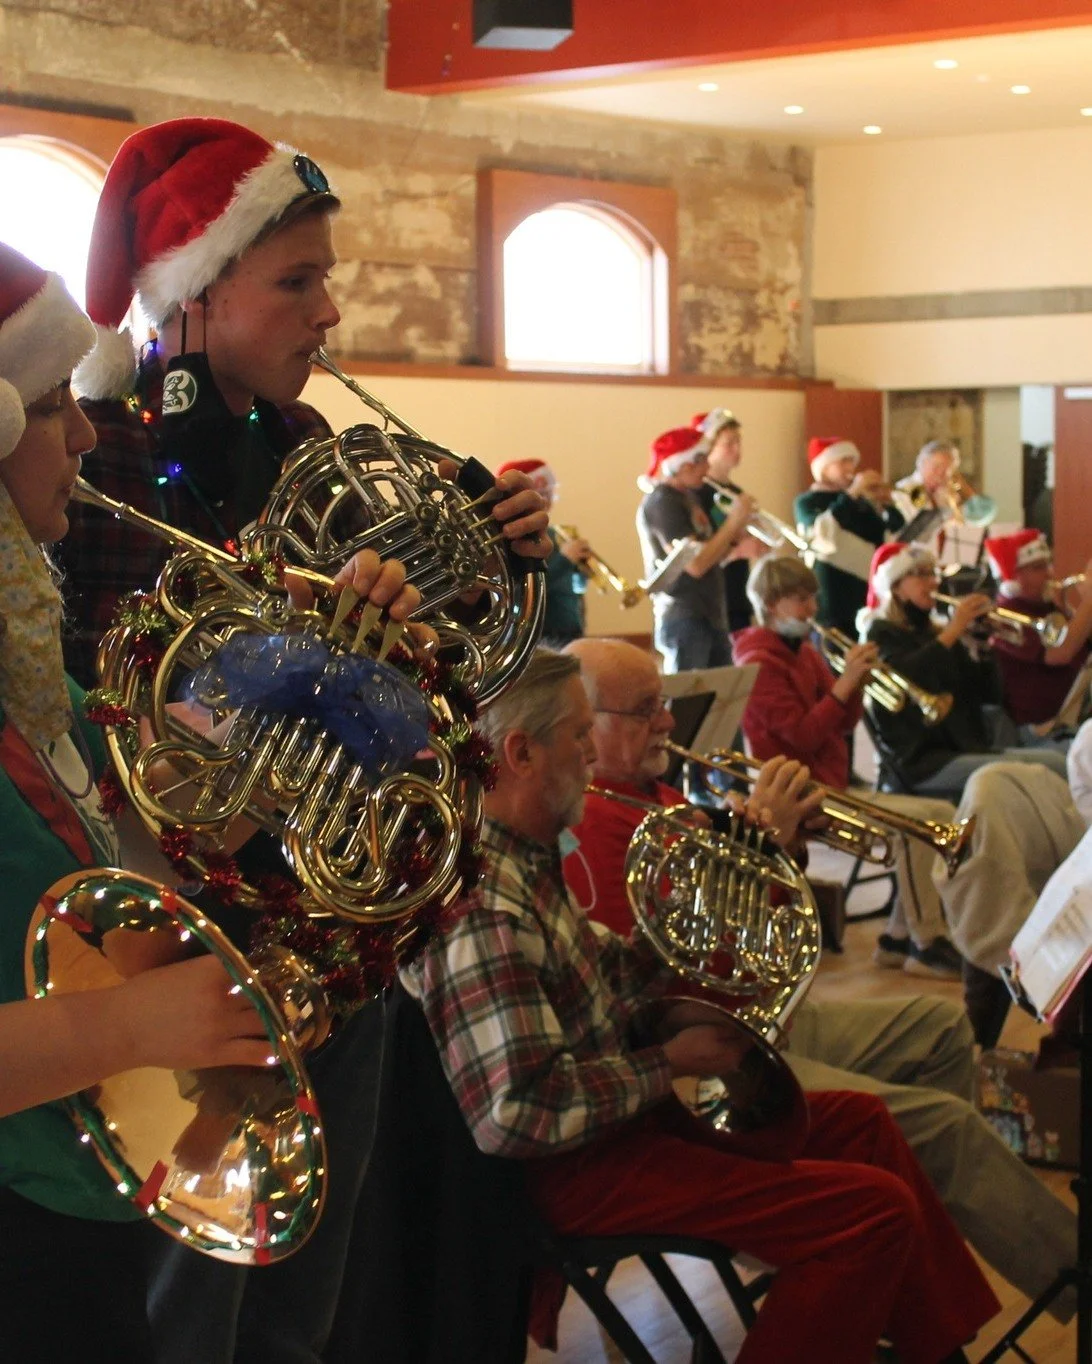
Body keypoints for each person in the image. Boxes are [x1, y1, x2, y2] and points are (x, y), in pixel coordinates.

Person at [60, 116, 551, 1364]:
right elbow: (84, 713)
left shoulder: (312, 449)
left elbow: (407, 694)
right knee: (192, 1305)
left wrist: (463, 584)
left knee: (305, 1298)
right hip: (182, 939)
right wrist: (281, 658)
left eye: (326, 278)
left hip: (336, 932)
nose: (328, 313)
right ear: (196, 290)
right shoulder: (98, 451)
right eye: (297, 281)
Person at [401, 647, 1000, 1364]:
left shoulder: (526, 856)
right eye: (580, 734)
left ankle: (938, 1350)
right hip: (581, 1170)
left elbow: (613, 974)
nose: (592, 753)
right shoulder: (483, 907)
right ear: (522, 753)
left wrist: (725, 888)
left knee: (865, 1126)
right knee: (871, 1216)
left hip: (622, 1128)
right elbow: (516, 1112)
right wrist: (670, 1061)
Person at [561, 634, 1076, 1318]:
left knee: (939, 1026)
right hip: (713, 1059)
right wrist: (757, 851)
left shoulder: (657, 797)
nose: (669, 720)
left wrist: (781, 855)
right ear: (584, 724)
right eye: (646, 709)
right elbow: (673, 978)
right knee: (946, 1125)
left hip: (760, 1020)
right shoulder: (589, 826)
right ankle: (1062, 1282)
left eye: (664, 703)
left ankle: (911, 1263)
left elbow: (767, 937)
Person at [0, 240, 298, 1360]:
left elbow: (154, 825)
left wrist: (303, 691)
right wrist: (129, 1024)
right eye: (48, 408)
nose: (85, 436)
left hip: (74, 1195)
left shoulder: (32, 678)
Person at [730, 554, 963, 978]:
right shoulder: (757, 663)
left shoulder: (806, 652)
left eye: (813, 598)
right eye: (801, 599)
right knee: (911, 831)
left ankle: (898, 938)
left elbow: (845, 723)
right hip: (796, 797)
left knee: (940, 815)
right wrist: (844, 684)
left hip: (829, 783)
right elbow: (802, 735)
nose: (812, 609)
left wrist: (856, 685)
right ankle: (926, 942)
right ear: (771, 603)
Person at [860, 541, 1070, 795]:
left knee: (1058, 762)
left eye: (933, 574)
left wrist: (982, 646)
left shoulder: (937, 633)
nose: (933, 582)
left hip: (965, 748)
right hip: (923, 762)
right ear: (896, 586)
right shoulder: (881, 632)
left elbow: (987, 695)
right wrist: (953, 631)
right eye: (921, 574)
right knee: (1035, 774)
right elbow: (908, 675)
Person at [636, 425, 752, 672]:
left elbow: (708, 555)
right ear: (684, 465)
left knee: (722, 691)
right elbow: (695, 565)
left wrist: (733, 541)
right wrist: (733, 523)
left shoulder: (688, 497)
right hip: (685, 615)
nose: (708, 468)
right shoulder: (663, 502)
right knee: (688, 693)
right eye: (703, 461)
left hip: (710, 612)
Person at [983, 529, 1092, 744]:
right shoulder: (1003, 618)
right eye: (1038, 567)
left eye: (1047, 564)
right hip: (1037, 730)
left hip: (1071, 720)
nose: (1049, 573)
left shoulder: (1046, 606)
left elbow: (1082, 649)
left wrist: (1071, 611)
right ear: (1014, 576)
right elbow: (1061, 653)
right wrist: (1089, 603)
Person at [793, 435, 905, 638]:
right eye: (843, 461)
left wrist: (888, 505)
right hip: (834, 599)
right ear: (824, 467)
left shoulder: (859, 500)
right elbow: (823, 534)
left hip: (868, 596)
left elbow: (889, 537)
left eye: (852, 461)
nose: (850, 467)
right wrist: (852, 493)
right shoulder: (807, 502)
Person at [496, 457, 588, 644]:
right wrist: (566, 560)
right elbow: (522, 592)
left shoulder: (555, 534)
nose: (547, 500)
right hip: (540, 635)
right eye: (542, 493)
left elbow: (577, 588)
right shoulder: (511, 538)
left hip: (571, 632)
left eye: (550, 493)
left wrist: (581, 569)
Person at [691, 407, 764, 636]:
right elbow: (697, 553)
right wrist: (737, 550)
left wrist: (759, 541)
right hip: (708, 602)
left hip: (738, 596)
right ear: (709, 447)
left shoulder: (737, 493)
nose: (737, 450)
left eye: (738, 442)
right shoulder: (696, 492)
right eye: (729, 443)